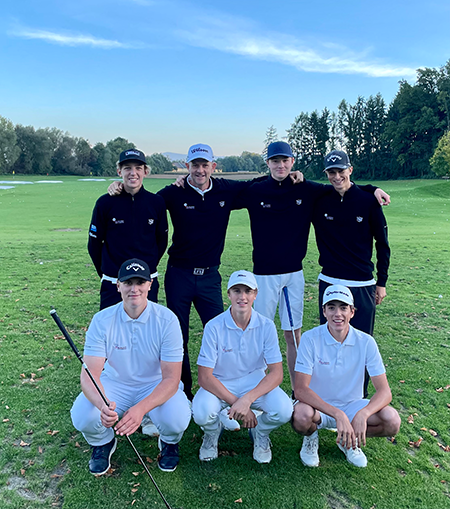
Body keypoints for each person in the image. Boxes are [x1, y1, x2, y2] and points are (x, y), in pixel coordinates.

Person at [233, 141, 390, 395]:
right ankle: (254, 391)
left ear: (292, 162)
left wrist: (374, 189)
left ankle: (299, 394)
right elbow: (226, 190)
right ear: (268, 163)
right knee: (257, 332)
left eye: (285, 160)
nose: (281, 165)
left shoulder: (307, 189)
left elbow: (349, 189)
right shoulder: (258, 190)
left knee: (294, 335)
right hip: (264, 274)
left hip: (295, 274)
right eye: (275, 161)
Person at [70, 258, 191, 474]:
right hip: (115, 383)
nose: (134, 289)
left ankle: (169, 442)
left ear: (150, 285)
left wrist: (140, 410)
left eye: (140, 282)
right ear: (118, 286)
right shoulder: (102, 320)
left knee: (177, 418)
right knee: (82, 415)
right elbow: (89, 374)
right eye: (128, 283)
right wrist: (102, 405)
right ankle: (103, 442)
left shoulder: (167, 320)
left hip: (155, 384)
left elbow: (171, 379)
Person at [291, 285, 400, 468]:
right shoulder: (310, 339)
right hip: (318, 407)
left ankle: (349, 439)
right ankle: (311, 437)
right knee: (301, 416)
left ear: (352, 312)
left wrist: (364, 413)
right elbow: (301, 390)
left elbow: (385, 392)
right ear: (324, 311)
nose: (338, 314)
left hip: (352, 406)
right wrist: (337, 414)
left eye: (343, 308)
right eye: (331, 307)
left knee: (392, 421)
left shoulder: (366, 342)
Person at [192, 270, 293, 463]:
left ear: (255, 294)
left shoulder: (266, 325)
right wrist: (237, 403)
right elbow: (204, 377)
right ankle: (212, 433)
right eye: (237, 291)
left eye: (248, 291)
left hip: (254, 381)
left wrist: (247, 400)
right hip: (220, 382)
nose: (242, 297)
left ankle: (260, 432)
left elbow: (276, 373)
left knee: (284, 410)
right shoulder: (214, 326)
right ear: (228, 294)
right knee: (201, 412)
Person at [312, 149, 390, 395]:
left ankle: (359, 396)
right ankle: (327, 395)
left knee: (361, 343)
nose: (337, 177)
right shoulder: (320, 198)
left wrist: (381, 282)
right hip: (330, 280)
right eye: (331, 172)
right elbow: (298, 187)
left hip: (362, 283)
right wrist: (372, 186)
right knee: (328, 343)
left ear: (350, 170)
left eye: (341, 171)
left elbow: (383, 245)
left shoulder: (368, 201)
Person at [88, 149, 168, 310]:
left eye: (138, 168)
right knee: (111, 325)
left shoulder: (156, 202)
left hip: (146, 282)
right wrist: (106, 272)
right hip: (113, 282)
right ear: (119, 171)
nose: (133, 173)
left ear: (145, 172)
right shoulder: (105, 203)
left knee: (146, 325)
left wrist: (148, 265)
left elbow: (161, 241)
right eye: (127, 168)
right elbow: (94, 244)